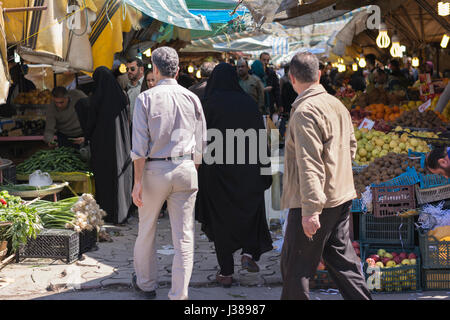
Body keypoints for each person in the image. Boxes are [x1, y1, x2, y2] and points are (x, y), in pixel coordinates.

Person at [279, 52, 372, 300]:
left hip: (315, 200)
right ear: (319, 75)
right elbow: (351, 147)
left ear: (291, 78)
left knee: (296, 268)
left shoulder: (305, 111)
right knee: (342, 261)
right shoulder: (336, 104)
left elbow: (309, 163)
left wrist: (310, 210)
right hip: (340, 195)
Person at [131, 46, 207, 300]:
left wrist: (137, 182)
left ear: (154, 68)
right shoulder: (192, 98)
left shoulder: (145, 99)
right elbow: (201, 144)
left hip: (154, 169)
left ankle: (146, 283)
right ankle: (179, 293)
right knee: (184, 236)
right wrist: (188, 167)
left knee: (147, 230)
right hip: (185, 168)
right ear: (178, 68)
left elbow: (139, 148)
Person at [195, 62, 273, 288]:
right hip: (248, 171)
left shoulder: (207, 105)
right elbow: (261, 140)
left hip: (217, 174)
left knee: (221, 221)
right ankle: (248, 253)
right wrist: (264, 170)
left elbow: (199, 141)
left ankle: (226, 272)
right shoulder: (248, 103)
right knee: (251, 211)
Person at [85, 66, 133, 225]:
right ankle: (123, 212)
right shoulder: (120, 95)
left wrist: (86, 136)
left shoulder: (97, 97)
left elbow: (90, 121)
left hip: (103, 145)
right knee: (120, 175)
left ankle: (108, 212)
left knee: (105, 178)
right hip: (123, 144)